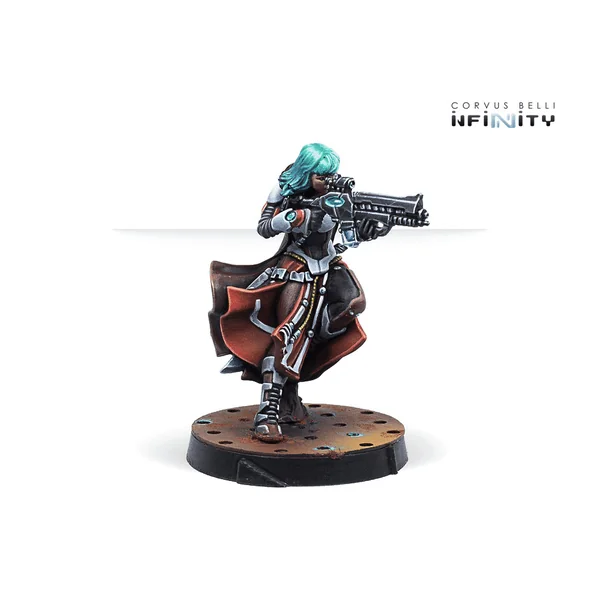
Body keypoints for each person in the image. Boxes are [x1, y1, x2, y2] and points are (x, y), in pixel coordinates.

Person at [208, 143, 389, 442]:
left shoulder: (338, 198)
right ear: (307, 174)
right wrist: (295, 218)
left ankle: (313, 342)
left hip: (329, 265)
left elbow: (347, 237)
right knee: (290, 332)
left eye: (331, 175)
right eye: (321, 176)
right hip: (297, 268)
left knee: (353, 303)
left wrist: (367, 232)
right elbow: (264, 227)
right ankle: (267, 413)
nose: (328, 181)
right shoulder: (285, 193)